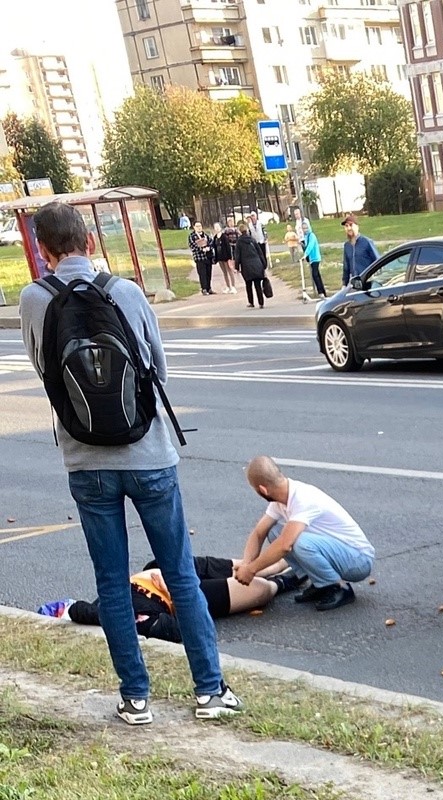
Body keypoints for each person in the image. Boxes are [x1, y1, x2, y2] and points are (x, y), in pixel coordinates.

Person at [18, 201, 241, 725]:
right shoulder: (126, 291)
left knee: (112, 580)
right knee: (180, 574)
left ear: (43, 253)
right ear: (90, 243)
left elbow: (44, 371)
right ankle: (210, 691)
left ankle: (135, 698)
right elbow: (156, 366)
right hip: (149, 455)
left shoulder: (34, 299)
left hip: (85, 461)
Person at [45, 556, 300, 642]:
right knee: (261, 590)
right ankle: (285, 580)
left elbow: (78, 609)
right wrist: (174, 594)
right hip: (179, 595)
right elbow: (181, 631)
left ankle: (272, 563)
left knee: (231, 568)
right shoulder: (139, 622)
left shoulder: (101, 604)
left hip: (159, 571)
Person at [237, 456, 374, 612]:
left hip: (358, 560)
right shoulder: (281, 499)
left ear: (263, 490)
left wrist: (251, 570)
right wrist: (245, 564)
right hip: (341, 553)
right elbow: (259, 532)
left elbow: (284, 545)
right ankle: (319, 582)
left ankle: (338, 587)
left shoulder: (302, 498)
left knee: (296, 541)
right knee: (275, 531)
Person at [234, 219, 270, 309]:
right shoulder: (252, 240)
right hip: (257, 264)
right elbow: (260, 252)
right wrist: (264, 264)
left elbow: (237, 256)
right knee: (257, 284)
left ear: (239, 231)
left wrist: (237, 267)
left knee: (248, 285)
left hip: (246, 266)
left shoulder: (239, 242)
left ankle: (251, 302)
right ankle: (261, 303)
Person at [341, 213, 379, 287]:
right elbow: (346, 268)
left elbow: (378, 262)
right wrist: (344, 285)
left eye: (351, 225)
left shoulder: (367, 242)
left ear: (357, 226)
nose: (349, 228)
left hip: (368, 282)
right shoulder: (347, 246)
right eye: (346, 226)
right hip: (355, 284)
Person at [213, 220, 239, 294]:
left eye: (218, 227)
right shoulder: (215, 238)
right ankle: (228, 286)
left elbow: (228, 247)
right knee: (224, 272)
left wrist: (229, 257)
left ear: (220, 228)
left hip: (226, 257)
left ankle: (233, 286)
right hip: (219, 257)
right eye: (215, 227)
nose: (217, 228)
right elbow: (214, 247)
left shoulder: (224, 236)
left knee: (229, 271)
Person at [188, 224, 215, 295]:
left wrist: (209, 247)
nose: (199, 227)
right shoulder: (192, 236)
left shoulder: (206, 235)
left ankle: (209, 288)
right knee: (202, 273)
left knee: (208, 273)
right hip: (199, 257)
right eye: (197, 226)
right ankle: (204, 288)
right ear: (194, 227)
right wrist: (202, 249)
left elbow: (211, 242)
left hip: (208, 256)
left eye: (200, 226)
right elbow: (192, 245)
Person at [302, 222, 327, 297]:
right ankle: (323, 292)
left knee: (315, 275)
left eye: (306, 228)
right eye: (303, 228)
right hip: (311, 259)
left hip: (315, 258)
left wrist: (305, 254)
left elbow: (310, 246)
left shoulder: (312, 235)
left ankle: (320, 292)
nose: (305, 230)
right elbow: (306, 246)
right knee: (317, 275)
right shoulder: (306, 237)